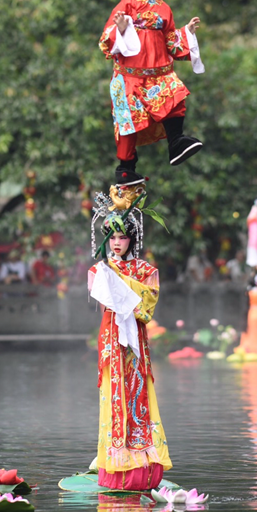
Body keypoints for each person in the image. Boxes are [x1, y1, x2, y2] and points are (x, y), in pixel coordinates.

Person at [94, 0, 204, 186]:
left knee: (177, 96)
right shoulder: (127, 3)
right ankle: (126, 169)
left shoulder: (165, 8)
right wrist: (121, 29)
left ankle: (176, 143)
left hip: (159, 75)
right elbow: (106, 40)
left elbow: (170, 43)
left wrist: (186, 33)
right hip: (131, 78)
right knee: (128, 125)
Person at [87, 191, 171, 490]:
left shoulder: (144, 270)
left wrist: (122, 285)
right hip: (111, 338)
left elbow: (147, 304)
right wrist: (114, 279)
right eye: (111, 238)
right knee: (114, 397)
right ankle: (115, 466)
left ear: (131, 239)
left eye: (122, 237)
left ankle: (143, 463)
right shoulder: (100, 270)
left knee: (138, 394)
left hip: (135, 339)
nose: (117, 243)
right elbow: (101, 293)